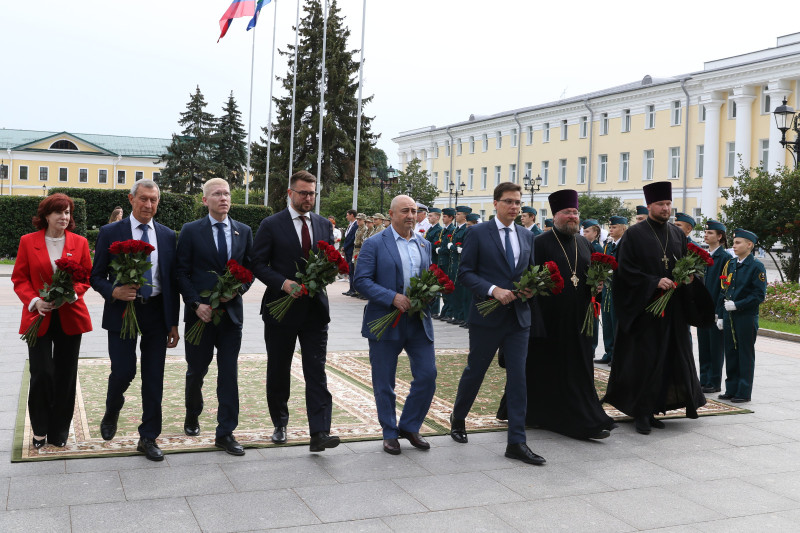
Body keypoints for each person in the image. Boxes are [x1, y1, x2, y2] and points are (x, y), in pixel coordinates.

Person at [603, 181, 713, 435]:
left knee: (668, 360)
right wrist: (653, 282)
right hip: (645, 312)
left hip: (672, 311)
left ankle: (654, 408)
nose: (665, 208)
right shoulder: (634, 234)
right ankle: (640, 412)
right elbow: (625, 272)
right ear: (650, 205)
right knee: (645, 362)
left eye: (668, 204)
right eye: (660, 204)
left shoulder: (676, 234)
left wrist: (688, 279)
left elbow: (684, 265)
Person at [450, 182, 545, 465]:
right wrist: (493, 290)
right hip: (487, 316)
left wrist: (532, 289)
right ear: (495, 203)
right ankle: (458, 417)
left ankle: (516, 442)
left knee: (518, 378)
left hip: (519, 318)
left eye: (518, 202)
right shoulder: (478, 233)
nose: (514, 207)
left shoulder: (527, 236)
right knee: (475, 370)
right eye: (508, 202)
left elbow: (531, 273)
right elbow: (465, 273)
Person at [91, 179, 180, 461]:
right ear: (131, 199)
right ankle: (113, 406)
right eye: (143, 199)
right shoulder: (110, 232)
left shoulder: (167, 235)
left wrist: (173, 323)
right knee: (124, 371)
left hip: (155, 312)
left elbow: (172, 282)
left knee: (154, 377)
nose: (148, 205)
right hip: (122, 310)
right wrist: (114, 290)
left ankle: (149, 436)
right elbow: (95, 276)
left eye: (153, 200)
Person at [251, 170, 340, 452]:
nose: (308, 198)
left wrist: (326, 275)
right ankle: (280, 421)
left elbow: (330, 262)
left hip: (315, 310)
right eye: (303, 193)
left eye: (312, 193)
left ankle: (320, 432)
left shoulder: (324, 225)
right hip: (280, 310)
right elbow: (257, 264)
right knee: (279, 369)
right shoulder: (271, 224)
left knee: (316, 370)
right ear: (290, 193)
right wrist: (283, 283)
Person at [527, 190, 615, 440]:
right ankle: (548, 415)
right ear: (555, 215)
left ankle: (584, 414)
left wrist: (597, 286)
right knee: (549, 368)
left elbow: (587, 277)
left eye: (575, 213)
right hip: (550, 319)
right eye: (567, 213)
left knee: (579, 367)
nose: (573, 217)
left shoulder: (584, 243)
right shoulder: (540, 243)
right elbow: (531, 279)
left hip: (579, 318)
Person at [176, 178, 254, 456]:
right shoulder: (190, 231)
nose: (224, 198)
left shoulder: (243, 231)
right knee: (196, 370)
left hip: (231, 316)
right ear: (204, 200)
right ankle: (192, 413)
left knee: (229, 373)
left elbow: (249, 270)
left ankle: (226, 432)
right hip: (200, 316)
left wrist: (236, 291)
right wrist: (197, 304)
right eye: (217, 194)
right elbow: (180, 273)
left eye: (227, 193)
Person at [353, 195, 437, 455]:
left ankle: (410, 425)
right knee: (384, 381)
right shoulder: (374, 243)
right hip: (385, 321)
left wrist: (429, 293)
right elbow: (361, 281)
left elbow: (430, 275)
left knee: (427, 375)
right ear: (391, 214)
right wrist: (392, 297)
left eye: (414, 211)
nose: (410, 215)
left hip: (417, 321)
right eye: (405, 211)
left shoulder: (424, 244)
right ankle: (390, 432)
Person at [12, 193, 93, 449]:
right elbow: (20, 278)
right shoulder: (28, 241)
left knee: (66, 376)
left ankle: (59, 431)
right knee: (42, 373)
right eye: (59, 212)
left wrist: (70, 294)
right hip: (39, 315)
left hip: (70, 315)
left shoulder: (79, 242)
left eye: (68, 212)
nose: (64, 217)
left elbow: (85, 278)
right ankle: (39, 429)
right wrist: (35, 301)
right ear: (46, 215)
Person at [717, 229, 767, 403]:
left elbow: (758, 295)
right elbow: (724, 291)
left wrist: (737, 305)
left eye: (738, 242)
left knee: (744, 353)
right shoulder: (731, 264)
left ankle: (743, 391)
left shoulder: (756, 266)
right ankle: (731, 388)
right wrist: (721, 315)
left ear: (750, 245)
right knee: (730, 352)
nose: (734, 246)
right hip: (729, 315)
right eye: (734, 242)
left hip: (745, 317)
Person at [697, 220, 732, 393]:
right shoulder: (703, 256)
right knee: (703, 346)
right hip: (702, 309)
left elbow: (724, 287)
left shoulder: (725, 258)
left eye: (710, 233)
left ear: (720, 237)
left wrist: (719, 312)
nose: (706, 235)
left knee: (715, 348)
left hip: (715, 310)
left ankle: (714, 381)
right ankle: (704, 379)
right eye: (705, 232)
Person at [595, 215, 627, 365]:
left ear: (623, 228)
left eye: (614, 227)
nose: (611, 230)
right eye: (610, 227)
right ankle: (609, 351)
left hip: (618, 287)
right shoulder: (609, 245)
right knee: (607, 320)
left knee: (616, 321)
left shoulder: (626, 245)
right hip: (608, 287)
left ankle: (618, 354)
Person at [581, 219, 603, 353]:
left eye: (587, 231)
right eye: (583, 231)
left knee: (593, 316)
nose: (584, 233)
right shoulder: (585, 244)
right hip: (588, 285)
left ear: (595, 232)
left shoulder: (597, 247)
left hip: (594, 287)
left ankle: (592, 347)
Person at [448, 206, 471, 326]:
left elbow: (462, 248)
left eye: (458, 214)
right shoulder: (457, 229)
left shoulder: (466, 230)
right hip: (455, 262)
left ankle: (462, 316)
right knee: (455, 290)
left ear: (465, 216)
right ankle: (457, 315)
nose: (456, 216)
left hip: (461, 262)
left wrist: (453, 247)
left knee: (461, 291)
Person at [436, 208, 456, 320]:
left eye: (445, 216)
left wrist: (440, 250)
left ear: (450, 218)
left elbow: (449, 248)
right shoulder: (444, 230)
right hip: (441, 262)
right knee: (442, 287)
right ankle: (445, 312)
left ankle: (449, 313)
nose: (443, 218)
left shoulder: (452, 230)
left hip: (448, 262)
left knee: (448, 288)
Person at [424, 208, 444, 317]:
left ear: (437, 217)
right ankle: (430, 308)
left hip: (435, 260)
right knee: (429, 284)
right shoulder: (430, 229)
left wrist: (424, 245)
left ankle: (435, 310)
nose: (429, 217)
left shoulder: (438, 230)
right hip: (429, 259)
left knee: (435, 284)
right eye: (429, 215)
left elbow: (434, 244)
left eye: (431, 215)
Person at [341, 209, 358, 296]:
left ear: (352, 215)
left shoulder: (356, 225)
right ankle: (351, 288)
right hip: (348, 249)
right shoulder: (350, 225)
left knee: (352, 270)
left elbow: (352, 239)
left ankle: (353, 289)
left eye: (347, 215)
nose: (346, 217)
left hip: (351, 250)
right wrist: (344, 247)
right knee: (350, 270)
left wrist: (346, 247)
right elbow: (347, 237)